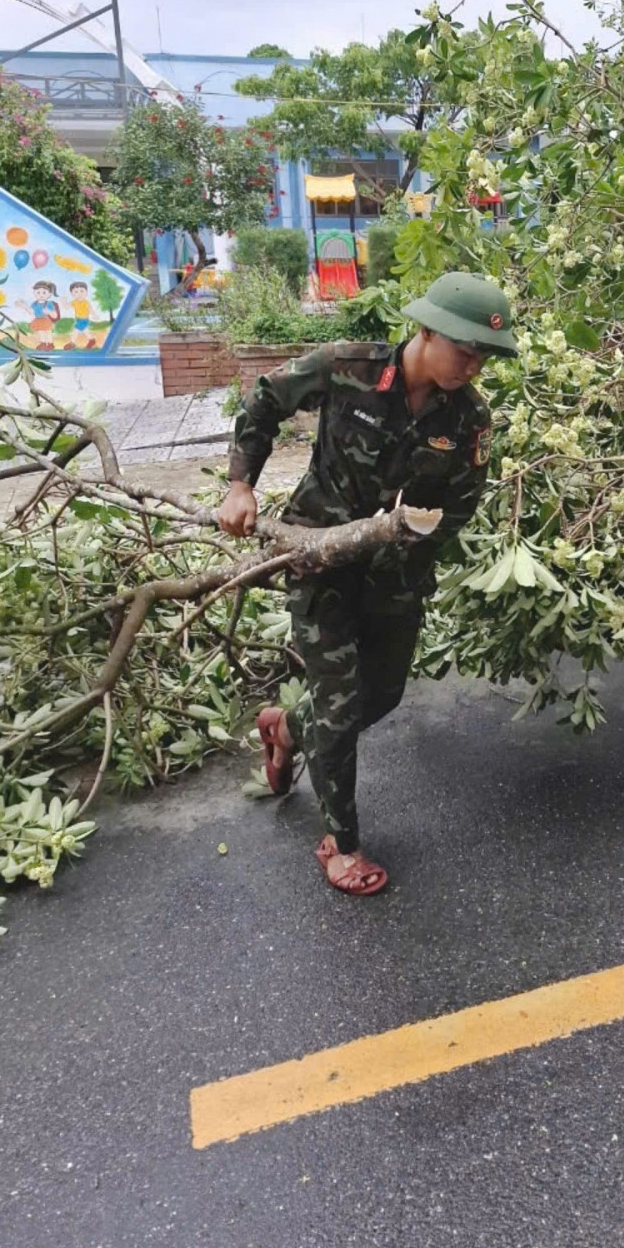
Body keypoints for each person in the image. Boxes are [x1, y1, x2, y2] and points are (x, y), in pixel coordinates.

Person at [218, 272, 516, 896]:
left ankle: (284, 729)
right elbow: (266, 398)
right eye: (464, 349)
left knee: (381, 696)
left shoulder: (468, 418)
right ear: (426, 330)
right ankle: (341, 842)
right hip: (318, 560)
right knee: (341, 701)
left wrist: (416, 548)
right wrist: (241, 483)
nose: (472, 365)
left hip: (397, 574)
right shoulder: (345, 366)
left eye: (483, 355)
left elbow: (463, 501)